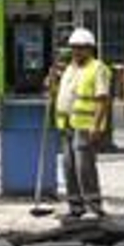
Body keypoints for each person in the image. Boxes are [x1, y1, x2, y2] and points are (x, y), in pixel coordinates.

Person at [51, 28, 111, 217]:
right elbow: (62, 93)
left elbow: (102, 99)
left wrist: (96, 124)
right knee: (69, 166)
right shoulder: (70, 68)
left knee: (84, 167)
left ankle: (93, 205)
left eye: (80, 48)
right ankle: (75, 206)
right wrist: (52, 83)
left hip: (85, 125)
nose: (76, 52)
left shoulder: (97, 68)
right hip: (68, 123)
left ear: (90, 49)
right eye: (74, 48)